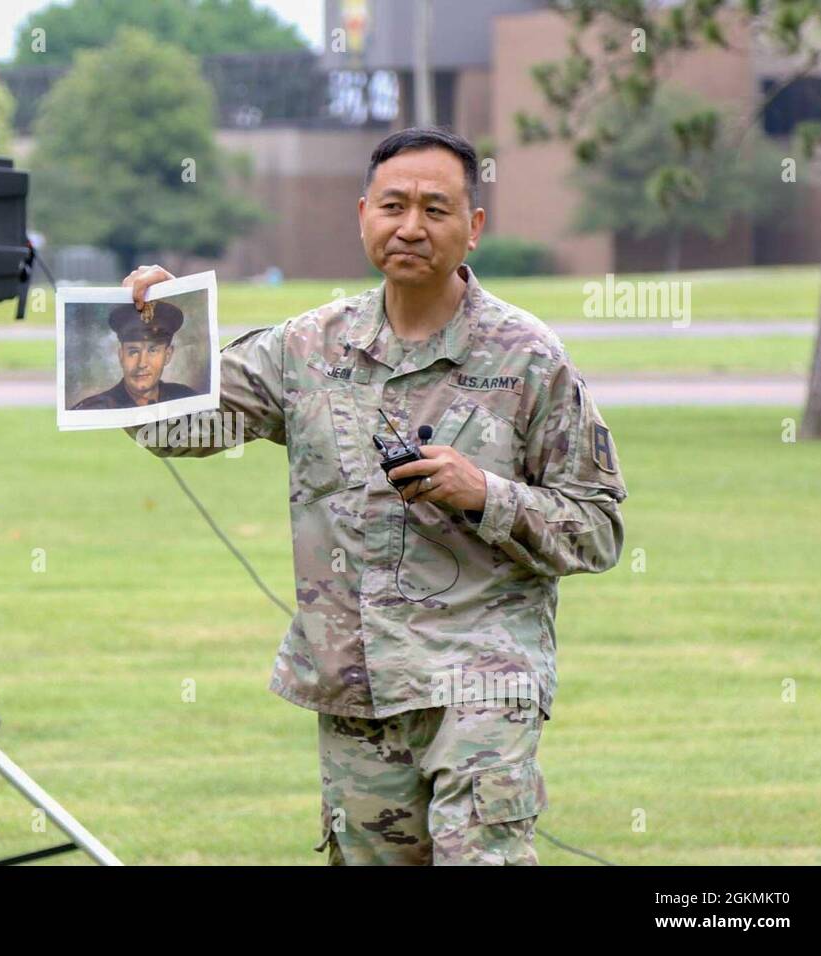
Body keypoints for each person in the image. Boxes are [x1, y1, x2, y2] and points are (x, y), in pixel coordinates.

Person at [121, 127, 628, 865]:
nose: (411, 227)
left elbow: (598, 524)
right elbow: (174, 425)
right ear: (364, 214)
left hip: (480, 679)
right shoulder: (307, 349)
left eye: (435, 208)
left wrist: (485, 493)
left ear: (474, 227)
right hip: (355, 688)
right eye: (393, 205)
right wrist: (154, 323)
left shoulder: (528, 358)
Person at [71, 300, 199, 409]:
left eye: (152, 351)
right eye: (133, 352)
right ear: (121, 356)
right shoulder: (95, 408)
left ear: (168, 355)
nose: (142, 363)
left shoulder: (187, 399)